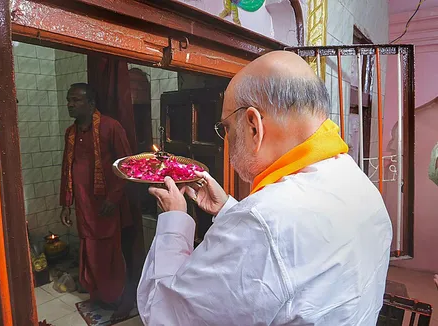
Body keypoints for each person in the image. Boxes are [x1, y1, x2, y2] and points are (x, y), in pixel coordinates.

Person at [138, 51, 393, 325]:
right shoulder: (357, 182)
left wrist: (175, 219)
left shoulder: (264, 222)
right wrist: (228, 209)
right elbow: (292, 261)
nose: (226, 141)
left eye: (226, 128)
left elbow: (166, 315)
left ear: (253, 126)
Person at [59, 83, 134, 320]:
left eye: (76, 100)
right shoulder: (71, 133)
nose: (70, 104)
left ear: (91, 103)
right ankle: (99, 295)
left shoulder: (111, 127)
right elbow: (66, 169)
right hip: (83, 205)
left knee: (109, 252)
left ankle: (117, 298)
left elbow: (126, 165)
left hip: (105, 206)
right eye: (69, 100)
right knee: (89, 249)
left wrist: (114, 197)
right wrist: (66, 203)